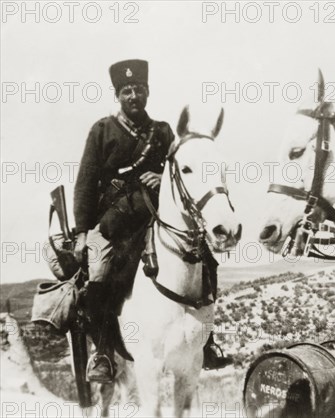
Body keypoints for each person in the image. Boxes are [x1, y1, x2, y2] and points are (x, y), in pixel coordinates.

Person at [73, 59, 232, 383]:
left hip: (156, 215)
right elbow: (86, 183)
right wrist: (81, 232)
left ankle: (207, 341)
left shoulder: (161, 131)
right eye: (127, 90)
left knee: (206, 259)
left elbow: (180, 170)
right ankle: (103, 351)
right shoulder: (102, 130)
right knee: (100, 273)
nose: (133, 96)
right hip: (114, 221)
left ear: (147, 92)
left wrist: (161, 176)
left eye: (139, 90)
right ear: (118, 94)